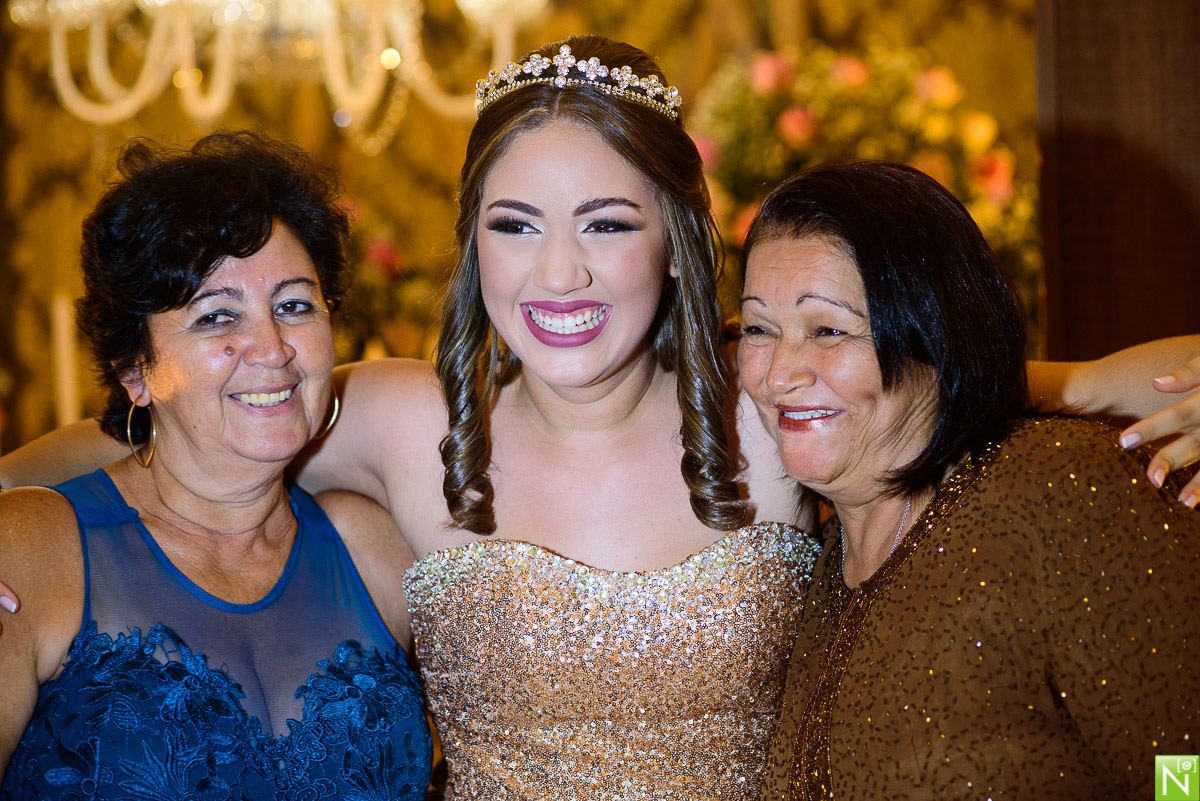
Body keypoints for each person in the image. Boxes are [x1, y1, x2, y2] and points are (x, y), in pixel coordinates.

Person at [0, 35, 1198, 800]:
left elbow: (925, 374)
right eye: (516, 225)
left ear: (675, 245)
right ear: (474, 244)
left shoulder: (767, 401)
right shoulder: (405, 420)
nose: (558, 275)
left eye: (607, 225)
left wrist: (1116, 380)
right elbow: (186, 419)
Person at [735, 161, 1200, 800]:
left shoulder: (1054, 490)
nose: (780, 373)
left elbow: (1184, 767)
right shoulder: (826, 562)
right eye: (759, 329)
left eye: (829, 331)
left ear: (934, 332)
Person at [0, 132, 432, 799]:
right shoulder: (30, 548)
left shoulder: (376, 548)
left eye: (293, 305)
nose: (271, 347)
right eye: (216, 317)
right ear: (135, 369)